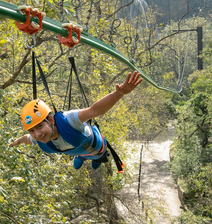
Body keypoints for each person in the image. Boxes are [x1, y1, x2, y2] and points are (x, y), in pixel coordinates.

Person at [8, 71, 143, 169]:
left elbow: (95, 110)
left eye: (39, 127)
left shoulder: (69, 120)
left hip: (96, 147)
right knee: (80, 156)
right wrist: (18, 141)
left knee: (100, 158)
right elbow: (27, 138)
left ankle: (94, 159)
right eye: (32, 130)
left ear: (51, 120)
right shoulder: (39, 138)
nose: (37, 134)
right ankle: (82, 157)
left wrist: (119, 93)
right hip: (80, 149)